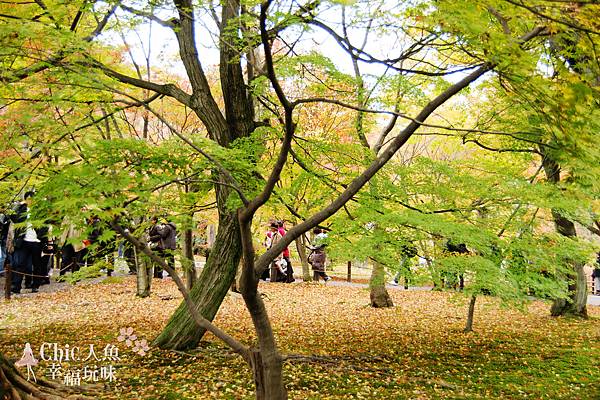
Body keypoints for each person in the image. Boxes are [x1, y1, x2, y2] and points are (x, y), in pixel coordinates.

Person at [10, 191, 44, 294]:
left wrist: (41, 238)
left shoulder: (39, 211)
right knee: (20, 264)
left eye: (32, 198)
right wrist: (18, 205)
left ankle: (35, 285)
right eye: (28, 198)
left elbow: (45, 225)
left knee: (36, 264)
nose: (30, 201)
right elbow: (12, 217)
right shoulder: (21, 210)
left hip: (36, 241)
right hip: (23, 241)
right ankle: (16, 286)